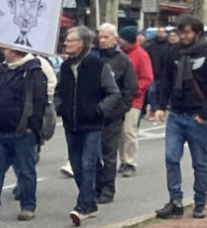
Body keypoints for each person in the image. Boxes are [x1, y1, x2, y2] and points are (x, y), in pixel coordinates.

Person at [152, 16, 207, 220]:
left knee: (199, 163)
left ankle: (200, 202)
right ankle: (175, 201)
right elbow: (166, 80)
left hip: (196, 116)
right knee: (171, 158)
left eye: (188, 32)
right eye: (181, 32)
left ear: (197, 33)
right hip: (176, 115)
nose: (183, 36)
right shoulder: (173, 52)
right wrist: (161, 106)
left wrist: (205, 113)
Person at [55, 26, 121, 225]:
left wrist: (98, 110)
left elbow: (114, 93)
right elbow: (58, 92)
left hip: (92, 125)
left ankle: (82, 206)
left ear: (81, 43)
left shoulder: (98, 66)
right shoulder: (66, 67)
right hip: (70, 125)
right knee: (76, 166)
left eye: (70, 40)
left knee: (87, 164)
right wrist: (61, 108)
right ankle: (90, 203)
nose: (65, 43)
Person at [0, 47, 48, 221]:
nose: (3, 51)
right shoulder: (1, 70)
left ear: (15, 52)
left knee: (25, 171)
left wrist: (32, 127)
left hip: (23, 133)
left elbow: (39, 102)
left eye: (6, 49)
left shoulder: (33, 71)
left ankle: (27, 206)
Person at [94, 24, 138, 205]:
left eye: (106, 37)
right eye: (100, 37)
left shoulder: (122, 60)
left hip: (112, 115)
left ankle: (107, 189)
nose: (102, 40)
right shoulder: (93, 57)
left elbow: (131, 87)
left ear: (115, 39)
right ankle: (95, 187)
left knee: (108, 154)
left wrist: (121, 108)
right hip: (93, 114)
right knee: (92, 154)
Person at [117, 25, 153, 177]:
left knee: (129, 131)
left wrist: (134, 90)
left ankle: (130, 161)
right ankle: (123, 160)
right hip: (118, 98)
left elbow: (147, 78)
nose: (119, 40)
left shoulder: (141, 55)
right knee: (119, 132)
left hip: (133, 99)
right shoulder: (120, 54)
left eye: (122, 38)